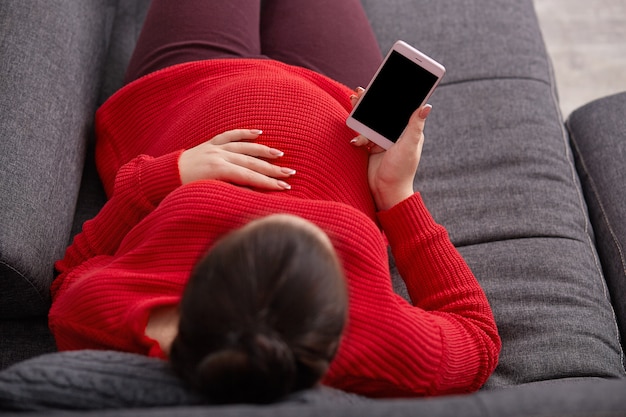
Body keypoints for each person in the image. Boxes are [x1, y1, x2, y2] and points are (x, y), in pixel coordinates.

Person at [48, 0, 501, 405]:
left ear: (195, 284)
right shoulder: (379, 339)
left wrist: (167, 176)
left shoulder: (110, 318)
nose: (277, 206)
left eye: (240, 222)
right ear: (340, 318)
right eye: (333, 237)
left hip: (187, 81)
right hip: (341, 100)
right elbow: (476, 336)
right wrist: (395, 195)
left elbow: (73, 272)